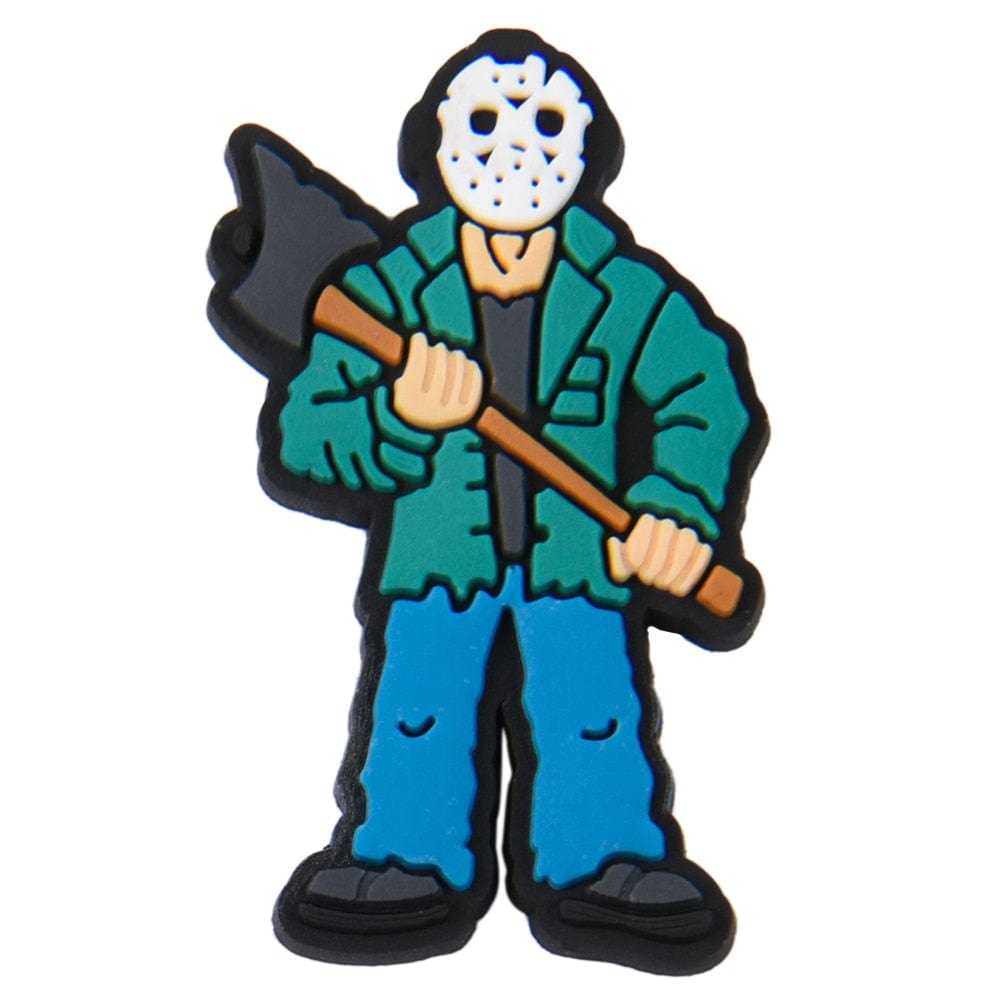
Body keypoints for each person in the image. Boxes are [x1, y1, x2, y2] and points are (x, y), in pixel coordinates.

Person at [239, 30, 766, 975]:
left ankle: (603, 861)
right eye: (484, 124)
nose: (513, 151)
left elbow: (704, 393)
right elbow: (309, 432)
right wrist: (400, 415)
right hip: (439, 565)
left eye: (546, 126)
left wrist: (676, 507)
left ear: (586, 151)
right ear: (437, 145)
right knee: (419, 711)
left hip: (582, 564)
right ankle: (404, 856)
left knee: (591, 713)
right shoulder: (389, 291)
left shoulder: (626, 293)